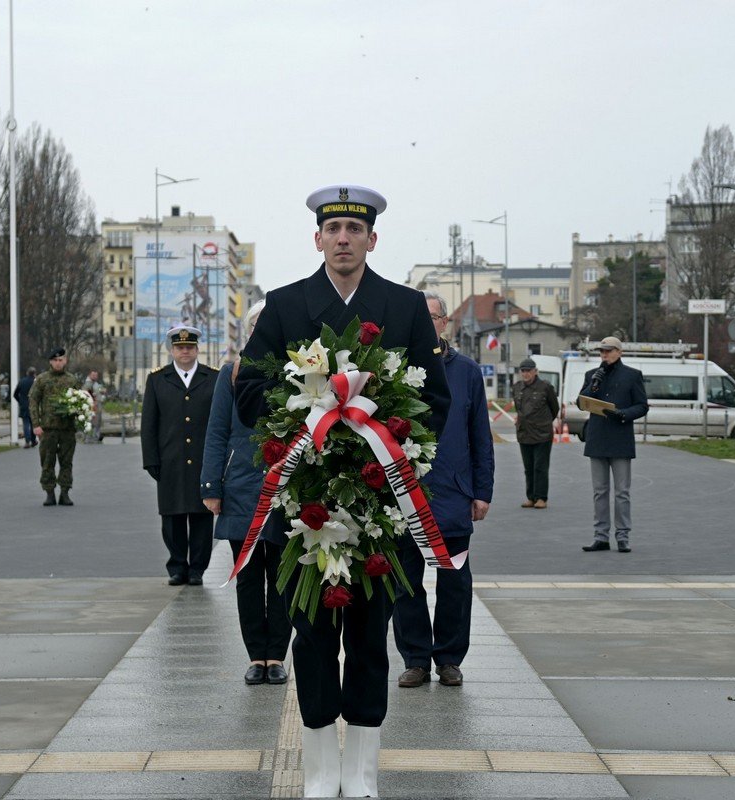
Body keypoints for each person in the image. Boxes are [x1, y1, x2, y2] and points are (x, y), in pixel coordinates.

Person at [236, 185, 449, 798]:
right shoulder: (281, 306)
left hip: (376, 504)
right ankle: (320, 773)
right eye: (334, 229)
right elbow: (250, 391)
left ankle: (361, 775)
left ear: (372, 239)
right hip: (305, 505)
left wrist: (383, 429)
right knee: (310, 636)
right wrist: (305, 414)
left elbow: (435, 398)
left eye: (355, 229)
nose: (344, 239)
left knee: (368, 636)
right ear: (318, 238)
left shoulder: (404, 308)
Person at [393, 291, 493, 690]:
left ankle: (449, 658)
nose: (426, 323)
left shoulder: (466, 371)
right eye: (418, 317)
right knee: (406, 581)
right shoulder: (394, 369)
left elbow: (480, 436)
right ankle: (415, 659)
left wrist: (481, 490)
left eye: (432, 316)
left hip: (452, 495)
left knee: (455, 583)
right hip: (403, 495)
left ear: (444, 322)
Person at [201, 301, 292, 685]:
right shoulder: (232, 373)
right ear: (248, 331)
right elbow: (217, 431)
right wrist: (211, 485)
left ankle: (278, 656)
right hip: (240, 488)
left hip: (286, 487)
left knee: (284, 575)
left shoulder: (297, 373)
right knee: (249, 576)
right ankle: (257, 656)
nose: (261, 331)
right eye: (256, 325)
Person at [141, 326, 218, 586]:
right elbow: (149, 423)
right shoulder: (157, 379)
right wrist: (150, 459)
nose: (184, 351)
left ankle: (197, 569)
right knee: (172, 517)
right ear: (172, 350)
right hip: (170, 459)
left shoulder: (213, 378)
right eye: (179, 347)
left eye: (189, 347)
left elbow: (219, 422)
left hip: (203, 460)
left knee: (201, 515)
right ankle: (177, 567)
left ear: (197, 349)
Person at [577, 336, 647, 554]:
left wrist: (623, 414)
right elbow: (581, 402)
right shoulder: (592, 375)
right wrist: (593, 385)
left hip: (620, 439)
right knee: (599, 491)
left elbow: (642, 405)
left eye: (608, 351)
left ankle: (623, 536)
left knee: (622, 492)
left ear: (619, 352)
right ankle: (601, 536)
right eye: (602, 352)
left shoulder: (632, 375)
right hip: (597, 440)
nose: (604, 355)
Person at [29, 348, 82, 507]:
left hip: (67, 429)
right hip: (48, 429)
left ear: (65, 361)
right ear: (51, 362)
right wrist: (36, 425)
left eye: (61, 360)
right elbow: (33, 401)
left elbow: (80, 401)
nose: (58, 363)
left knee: (67, 462)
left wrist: (80, 419)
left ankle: (65, 493)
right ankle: (49, 493)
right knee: (47, 461)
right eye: (55, 360)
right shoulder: (42, 380)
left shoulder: (72, 380)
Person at [510, 356, 559, 509]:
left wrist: (543, 422)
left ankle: (541, 498)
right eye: (523, 371)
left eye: (528, 371)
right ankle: (531, 497)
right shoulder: (517, 387)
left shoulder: (545, 387)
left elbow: (554, 408)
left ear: (535, 371)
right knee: (528, 467)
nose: (525, 374)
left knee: (540, 467)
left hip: (542, 434)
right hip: (524, 433)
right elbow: (519, 409)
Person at [13, 366, 38, 448]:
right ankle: (33, 440)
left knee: (26, 424)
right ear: (34, 373)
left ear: (27, 373)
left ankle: (27, 441)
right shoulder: (36, 382)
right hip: (33, 405)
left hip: (24, 405)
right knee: (33, 424)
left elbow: (15, 394)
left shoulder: (22, 381)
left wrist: (20, 401)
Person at [81, 369, 104, 444]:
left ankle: (95, 437)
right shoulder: (88, 384)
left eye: (96, 375)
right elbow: (86, 394)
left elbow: (98, 391)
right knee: (91, 422)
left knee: (97, 422)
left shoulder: (95, 383)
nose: (95, 376)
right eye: (93, 375)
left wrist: (102, 391)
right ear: (89, 375)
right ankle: (90, 438)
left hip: (98, 405)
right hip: (92, 406)